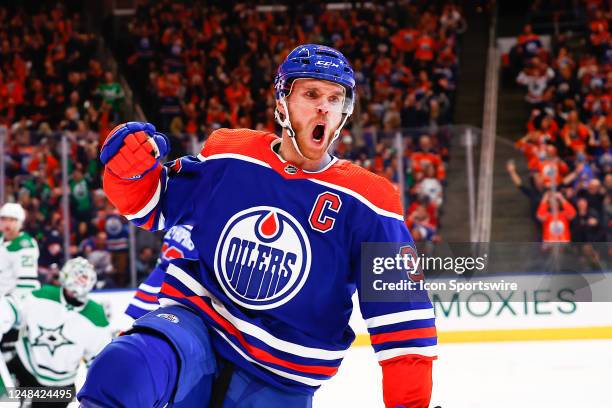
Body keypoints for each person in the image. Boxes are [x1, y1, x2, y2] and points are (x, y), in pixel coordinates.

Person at [79, 44, 437, 407]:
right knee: (124, 367)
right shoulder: (230, 153)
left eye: (334, 97)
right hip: (194, 328)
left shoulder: (371, 201)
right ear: (282, 102)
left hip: (282, 378)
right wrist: (129, 172)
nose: (323, 107)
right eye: (311, 93)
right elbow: (154, 206)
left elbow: (403, 321)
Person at [0, 257, 112, 407]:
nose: (80, 282)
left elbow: (100, 363)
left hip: (59, 388)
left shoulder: (97, 318)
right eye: (77, 276)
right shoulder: (42, 296)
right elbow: (12, 308)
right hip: (25, 370)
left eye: (84, 278)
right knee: (9, 400)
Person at [126, 225, 198, 320]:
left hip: (157, 276)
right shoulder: (199, 236)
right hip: (176, 284)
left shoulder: (177, 226)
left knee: (140, 321)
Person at [0, 203, 40, 298]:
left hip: (14, 301)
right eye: (3, 219)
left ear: (20, 223)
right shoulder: (1, 240)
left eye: (12, 220)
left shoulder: (25, 245)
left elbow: (26, 285)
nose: (7, 223)